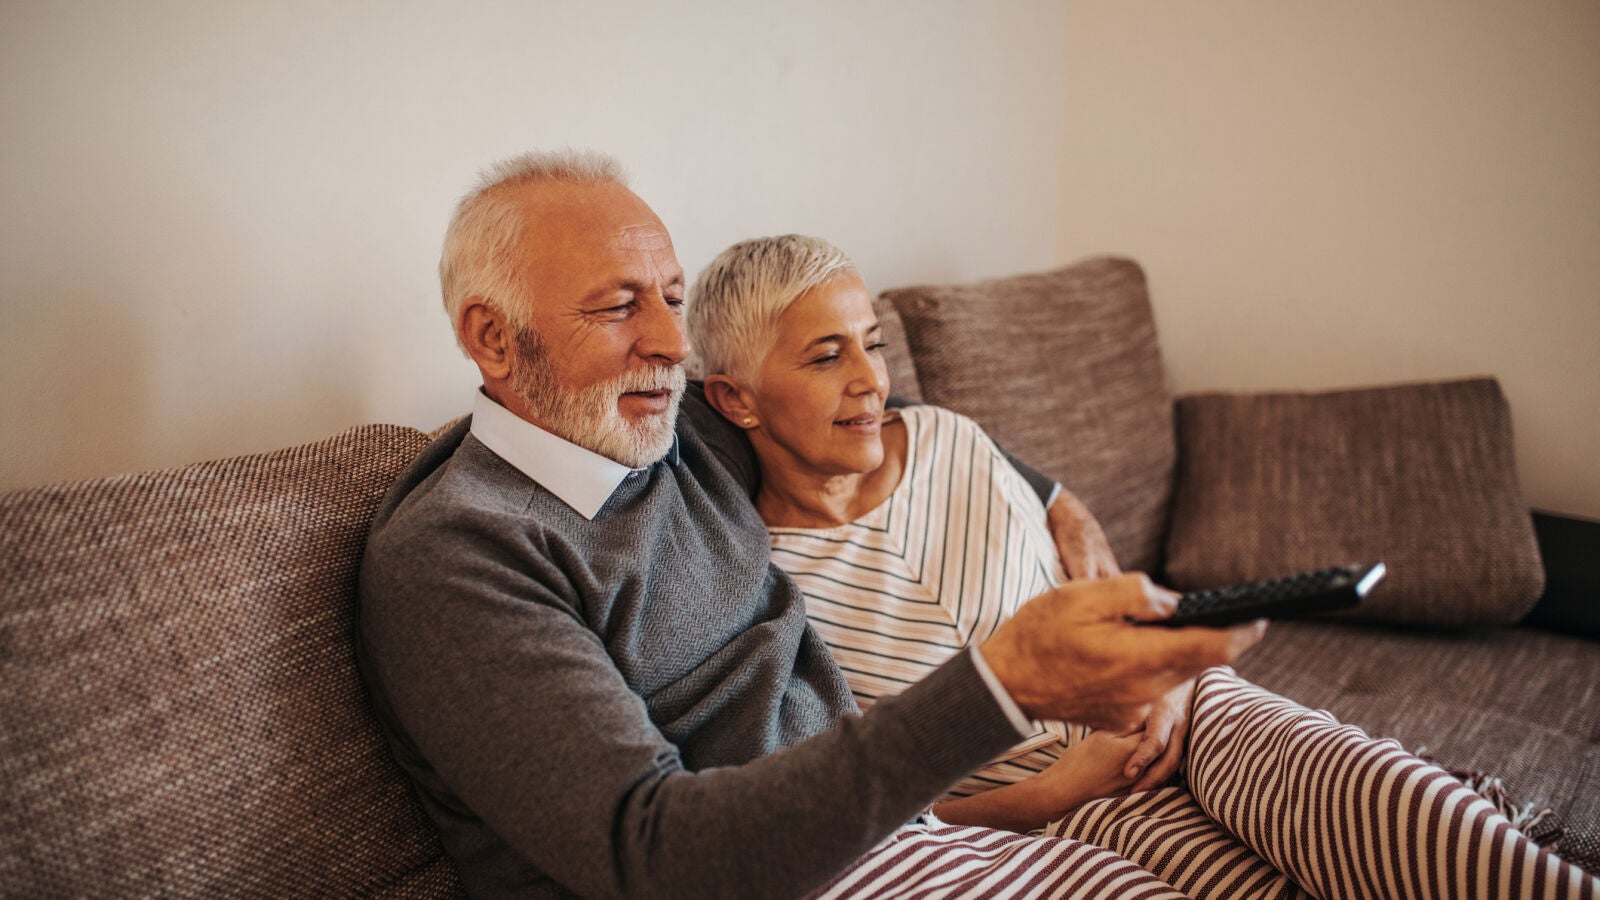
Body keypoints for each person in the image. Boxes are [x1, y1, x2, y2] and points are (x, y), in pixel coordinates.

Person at [357, 150, 1595, 899]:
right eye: (621, 305)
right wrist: (1001, 686)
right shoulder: (458, 559)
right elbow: (657, 860)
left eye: (675, 302)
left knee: (1307, 777)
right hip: (799, 876)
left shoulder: (665, 424)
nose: (672, 345)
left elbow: (884, 415)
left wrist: (1063, 512)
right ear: (490, 336)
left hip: (883, 831)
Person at [683, 233, 1600, 898]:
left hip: (1186, 719)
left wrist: (1161, 672)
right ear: (737, 399)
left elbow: (1078, 544)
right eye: (826, 355)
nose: (871, 379)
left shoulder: (950, 437)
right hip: (1031, 827)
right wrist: (1050, 794)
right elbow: (848, 810)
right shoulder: (762, 592)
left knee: (1378, 799)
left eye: (873, 343)